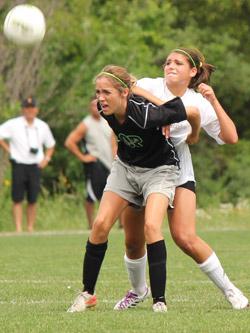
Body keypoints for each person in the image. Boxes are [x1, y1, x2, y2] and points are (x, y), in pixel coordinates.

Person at [114, 47, 249, 311]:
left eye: (178, 62)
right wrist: (166, 108)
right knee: (132, 240)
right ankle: (138, 291)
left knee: (185, 236)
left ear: (193, 71)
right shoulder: (149, 85)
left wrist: (214, 101)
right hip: (140, 166)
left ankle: (230, 290)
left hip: (176, 169)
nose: (170, 65)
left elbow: (231, 137)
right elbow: (125, 84)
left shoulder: (198, 101)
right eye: (168, 62)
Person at [67, 65, 200, 313]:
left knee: (151, 226)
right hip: (126, 168)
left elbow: (190, 111)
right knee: (100, 224)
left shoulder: (148, 115)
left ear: (124, 93)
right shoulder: (101, 109)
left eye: (106, 92)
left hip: (160, 170)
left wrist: (194, 134)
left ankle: (159, 300)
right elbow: (128, 91)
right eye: (97, 92)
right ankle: (87, 294)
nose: (100, 98)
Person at [0, 96, 55, 232]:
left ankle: (30, 227)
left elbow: (51, 144)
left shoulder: (42, 126)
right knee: (17, 197)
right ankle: (18, 228)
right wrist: (9, 150)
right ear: (23, 110)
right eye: (27, 108)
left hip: (36, 165)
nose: (29, 110)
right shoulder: (14, 124)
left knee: (33, 197)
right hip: (19, 163)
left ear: (37, 109)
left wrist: (46, 159)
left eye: (32, 108)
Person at [65, 97, 117, 229]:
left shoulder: (108, 120)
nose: (96, 108)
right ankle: (91, 225)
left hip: (110, 163)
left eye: (98, 105)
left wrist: (117, 159)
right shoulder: (86, 124)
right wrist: (83, 157)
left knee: (116, 194)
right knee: (92, 195)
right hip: (95, 163)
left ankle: (120, 225)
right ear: (90, 107)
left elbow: (113, 143)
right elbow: (70, 142)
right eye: (93, 105)